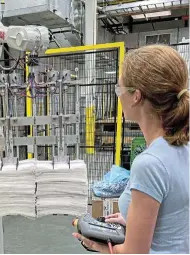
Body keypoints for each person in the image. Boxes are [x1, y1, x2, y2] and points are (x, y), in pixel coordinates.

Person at [73, 44, 189, 253]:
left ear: (136, 96)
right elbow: (175, 215)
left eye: (120, 89)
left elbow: (134, 253)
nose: (118, 97)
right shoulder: (183, 146)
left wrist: (99, 246)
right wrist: (135, 222)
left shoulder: (150, 164)